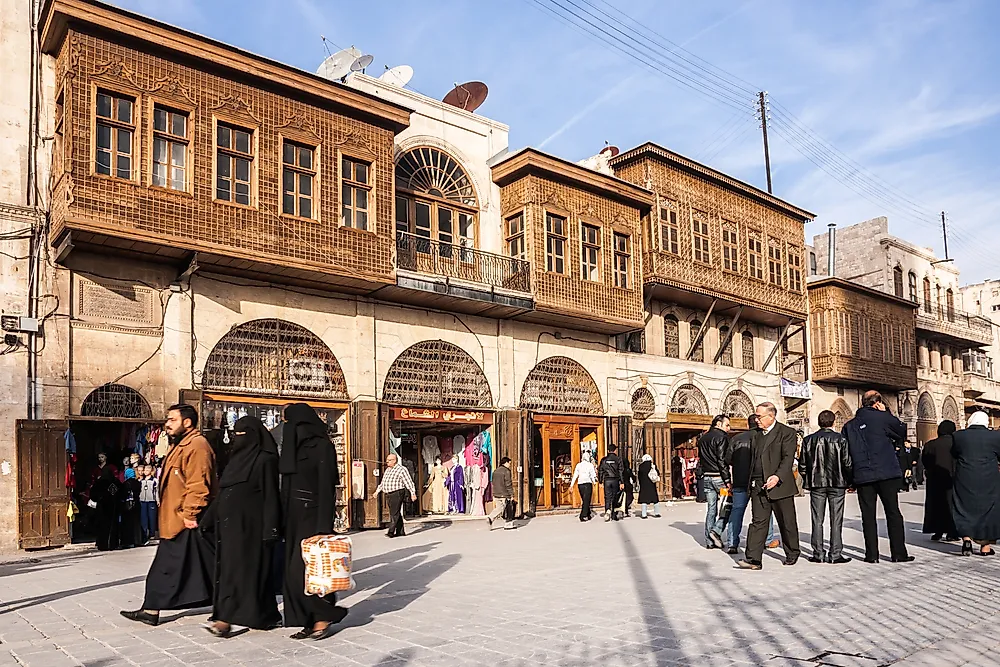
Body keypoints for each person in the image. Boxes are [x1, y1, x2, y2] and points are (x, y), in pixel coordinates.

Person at [121, 404, 216, 626]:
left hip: (185, 520)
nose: (167, 424)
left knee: (172, 569)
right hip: (175, 519)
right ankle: (151, 609)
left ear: (187, 422)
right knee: (192, 567)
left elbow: (199, 484)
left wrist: (190, 513)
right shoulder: (182, 445)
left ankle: (151, 609)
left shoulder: (197, 446)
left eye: (172, 419)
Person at [203, 416, 281, 638]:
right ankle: (265, 616)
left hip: (251, 528)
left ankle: (225, 620)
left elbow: (270, 496)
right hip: (228, 529)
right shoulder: (235, 461)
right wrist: (208, 519)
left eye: (242, 434)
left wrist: (271, 528)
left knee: (242, 572)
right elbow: (224, 494)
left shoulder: (265, 460)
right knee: (236, 571)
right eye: (235, 433)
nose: (237, 438)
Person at [280, 403, 347, 640]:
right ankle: (307, 620)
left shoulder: (322, 447)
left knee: (312, 572)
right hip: (292, 518)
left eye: (289, 423)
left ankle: (324, 616)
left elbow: (327, 488)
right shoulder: (291, 448)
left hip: (312, 517)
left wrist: (322, 528)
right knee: (292, 574)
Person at [842, 390, 912, 564]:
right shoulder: (882, 417)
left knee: (868, 515)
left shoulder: (849, 426)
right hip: (886, 473)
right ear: (877, 403)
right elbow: (901, 431)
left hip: (863, 475)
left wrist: (850, 479)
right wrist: (886, 413)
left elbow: (846, 455)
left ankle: (871, 555)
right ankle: (898, 553)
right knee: (893, 513)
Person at [738, 402, 800, 570]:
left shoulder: (787, 433)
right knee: (758, 522)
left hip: (780, 485)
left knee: (786, 522)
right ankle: (753, 559)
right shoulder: (755, 435)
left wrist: (777, 476)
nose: (756, 419)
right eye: (756, 416)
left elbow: (788, 459)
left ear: (771, 416)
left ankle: (792, 553)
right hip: (758, 485)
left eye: (759, 416)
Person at [798, 410, 853, 564]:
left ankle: (818, 553)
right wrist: (848, 481)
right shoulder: (841, 439)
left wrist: (808, 478)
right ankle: (835, 554)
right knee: (836, 519)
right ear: (833, 422)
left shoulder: (808, 440)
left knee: (817, 519)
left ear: (819, 422)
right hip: (837, 483)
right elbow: (847, 463)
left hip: (817, 484)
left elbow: (803, 465)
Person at [725, 415, 778, 555]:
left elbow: (728, 459)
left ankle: (732, 543)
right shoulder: (763, 438)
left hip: (739, 480)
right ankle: (767, 540)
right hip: (759, 480)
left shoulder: (736, 438)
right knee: (764, 511)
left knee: (737, 511)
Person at [951, 411, 1000, 557]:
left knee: (963, 506)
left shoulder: (958, 436)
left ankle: (966, 540)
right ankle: (985, 547)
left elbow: (954, 453)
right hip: (988, 477)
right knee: (988, 509)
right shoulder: (995, 436)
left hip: (964, 476)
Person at [698, 415, 732, 548]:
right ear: (719, 424)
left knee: (711, 509)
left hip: (707, 478)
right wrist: (727, 479)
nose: (729, 428)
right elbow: (721, 460)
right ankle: (716, 530)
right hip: (719, 478)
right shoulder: (722, 437)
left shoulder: (703, 438)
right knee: (728, 505)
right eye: (727, 425)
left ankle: (709, 541)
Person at [922, 420, 958, 542]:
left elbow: (925, 461)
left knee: (936, 505)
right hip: (951, 479)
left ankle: (938, 530)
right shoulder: (956, 444)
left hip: (934, 479)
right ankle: (952, 532)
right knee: (951, 505)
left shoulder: (930, 444)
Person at [373, 453, 417, 539]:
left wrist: (413, 493)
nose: (387, 462)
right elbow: (383, 482)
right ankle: (401, 532)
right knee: (396, 512)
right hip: (388, 493)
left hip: (397, 493)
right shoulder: (388, 470)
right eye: (387, 460)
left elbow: (408, 482)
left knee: (394, 513)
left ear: (394, 461)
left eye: (389, 460)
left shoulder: (401, 469)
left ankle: (391, 531)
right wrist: (377, 491)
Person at [89, 454, 120, 551]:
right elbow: (121, 492)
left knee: (102, 526)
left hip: (102, 507)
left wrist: (99, 498)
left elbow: (93, 495)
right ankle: (112, 544)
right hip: (113, 506)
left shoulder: (99, 483)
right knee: (112, 526)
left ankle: (102, 545)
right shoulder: (115, 482)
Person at [597, 444, 625, 522]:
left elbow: (600, 471)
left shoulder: (604, 460)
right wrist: (622, 482)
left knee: (607, 497)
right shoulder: (618, 459)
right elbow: (621, 471)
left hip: (607, 480)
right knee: (615, 496)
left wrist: (600, 481)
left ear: (608, 450)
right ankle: (614, 514)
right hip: (615, 480)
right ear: (615, 450)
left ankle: (607, 510)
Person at [118, 467, 143, 549]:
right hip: (137, 504)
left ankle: (128, 541)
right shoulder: (138, 483)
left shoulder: (126, 484)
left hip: (128, 505)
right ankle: (138, 540)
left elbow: (123, 494)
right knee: (136, 523)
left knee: (127, 524)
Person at [570, 452, 598, 522]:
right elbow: (593, 475)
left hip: (580, 484)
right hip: (588, 483)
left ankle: (588, 514)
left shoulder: (578, 465)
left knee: (585, 499)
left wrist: (571, 485)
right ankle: (583, 515)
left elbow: (575, 475)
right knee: (587, 500)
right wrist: (594, 482)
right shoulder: (590, 465)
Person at [487, 456, 514, 529]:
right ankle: (508, 524)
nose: (510, 465)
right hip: (504, 493)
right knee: (507, 508)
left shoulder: (495, 471)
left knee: (499, 507)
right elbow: (508, 484)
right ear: (506, 463)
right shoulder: (506, 471)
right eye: (509, 463)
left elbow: (493, 482)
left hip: (496, 492)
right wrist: (511, 494)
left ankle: (490, 517)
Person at [139, 464, 158, 543]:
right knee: (144, 518)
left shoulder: (154, 480)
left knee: (152, 518)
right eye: (144, 470)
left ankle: (152, 534)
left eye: (147, 470)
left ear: (151, 471)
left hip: (151, 501)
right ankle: (144, 534)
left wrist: (157, 500)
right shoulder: (141, 481)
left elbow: (156, 491)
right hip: (143, 500)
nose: (145, 472)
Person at [637, 454, 660, 519]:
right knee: (655, 499)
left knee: (644, 500)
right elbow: (658, 473)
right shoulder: (653, 466)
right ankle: (657, 513)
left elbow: (639, 476)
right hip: (652, 484)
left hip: (644, 485)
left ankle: (644, 514)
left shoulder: (641, 466)